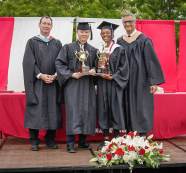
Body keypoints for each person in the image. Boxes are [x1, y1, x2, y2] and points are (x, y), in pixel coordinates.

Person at [117, 11, 165, 135]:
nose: (128, 24)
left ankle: (142, 136)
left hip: (141, 80)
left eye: (130, 21)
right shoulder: (119, 41)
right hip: (125, 80)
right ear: (123, 23)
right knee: (125, 104)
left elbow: (151, 61)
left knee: (141, 106)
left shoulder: (144, 40)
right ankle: (128, 134)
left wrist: (153, 82)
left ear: (135, 22)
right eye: (125, 22)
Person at [55, 21, 97, 153]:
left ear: (89, 33)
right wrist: (72, 74)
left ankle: (83, 141)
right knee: (73, 111)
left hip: (87, 85)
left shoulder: (93, 50)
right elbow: (59, 64)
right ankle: (70, 142)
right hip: (73, 85)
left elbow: (99, 66)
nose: (84, 34)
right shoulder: (67, 48)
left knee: (86, 111)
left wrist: (94, 70)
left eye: (86, 32)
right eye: (81, 32)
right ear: (77, 33)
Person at [22, 16, 62, 151]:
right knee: (35, 110)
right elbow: (28, 62)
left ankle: (50, 139)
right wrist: (40, 75)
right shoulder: (32, 42)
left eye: (48, 24)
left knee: (53, 110)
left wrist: (56, 75)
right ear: (39, 25)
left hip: (53, 82)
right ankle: (34, 140)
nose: (46, 26)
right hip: (37, 83)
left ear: (51, 26)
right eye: (44, 23)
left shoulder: (57, 43)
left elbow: (61, 62)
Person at [96, 21, 129, 142]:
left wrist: (114, 76)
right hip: (102, 83)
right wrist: (96, 73)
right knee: (103, 109)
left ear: (112, 34)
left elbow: (124, 68)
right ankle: (105, 137)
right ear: (100, 35)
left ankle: (115, 137)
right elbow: (95, 66)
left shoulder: (119, 49)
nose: (105, 34)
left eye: (108, 32)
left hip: (114, 84)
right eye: (103, 33)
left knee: (115, 108)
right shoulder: (98, 50)